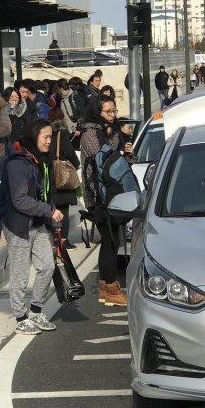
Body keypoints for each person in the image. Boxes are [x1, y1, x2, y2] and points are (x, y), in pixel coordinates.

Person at [3, 119, 63, 335]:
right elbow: (19, 200)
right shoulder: (18, 163)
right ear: (33, 136)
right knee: (20, 273)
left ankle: (36, 311)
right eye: (45, 137)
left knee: (47, 265)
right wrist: (48, 211)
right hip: (18, 224)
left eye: (50, 136)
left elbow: (43, 192)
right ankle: (20, 317)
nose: (49, 141)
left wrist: (51, 217)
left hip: (37, 222)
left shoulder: (39, 160)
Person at [80, 96, 133, 307]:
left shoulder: (112, 130)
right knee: (110, 241)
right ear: (97, 112)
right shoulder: (90, 134)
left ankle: (106, 287)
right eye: (108, 112)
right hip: (97, 195)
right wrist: (114, 138)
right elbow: (103, 158)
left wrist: (129, 154)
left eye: (114, 111)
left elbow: (120, 162)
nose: (113, 115)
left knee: (112, 241)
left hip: (112, 192)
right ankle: (110, 288)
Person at [48, 108, 80, 250]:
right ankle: (64, 240)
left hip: (50, 172)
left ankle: (54, 237)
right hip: (61, 174)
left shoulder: (47, 133)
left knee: (52, 207)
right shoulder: (63, 133)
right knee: (64, 209)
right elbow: (70, 153)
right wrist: (76, 165)